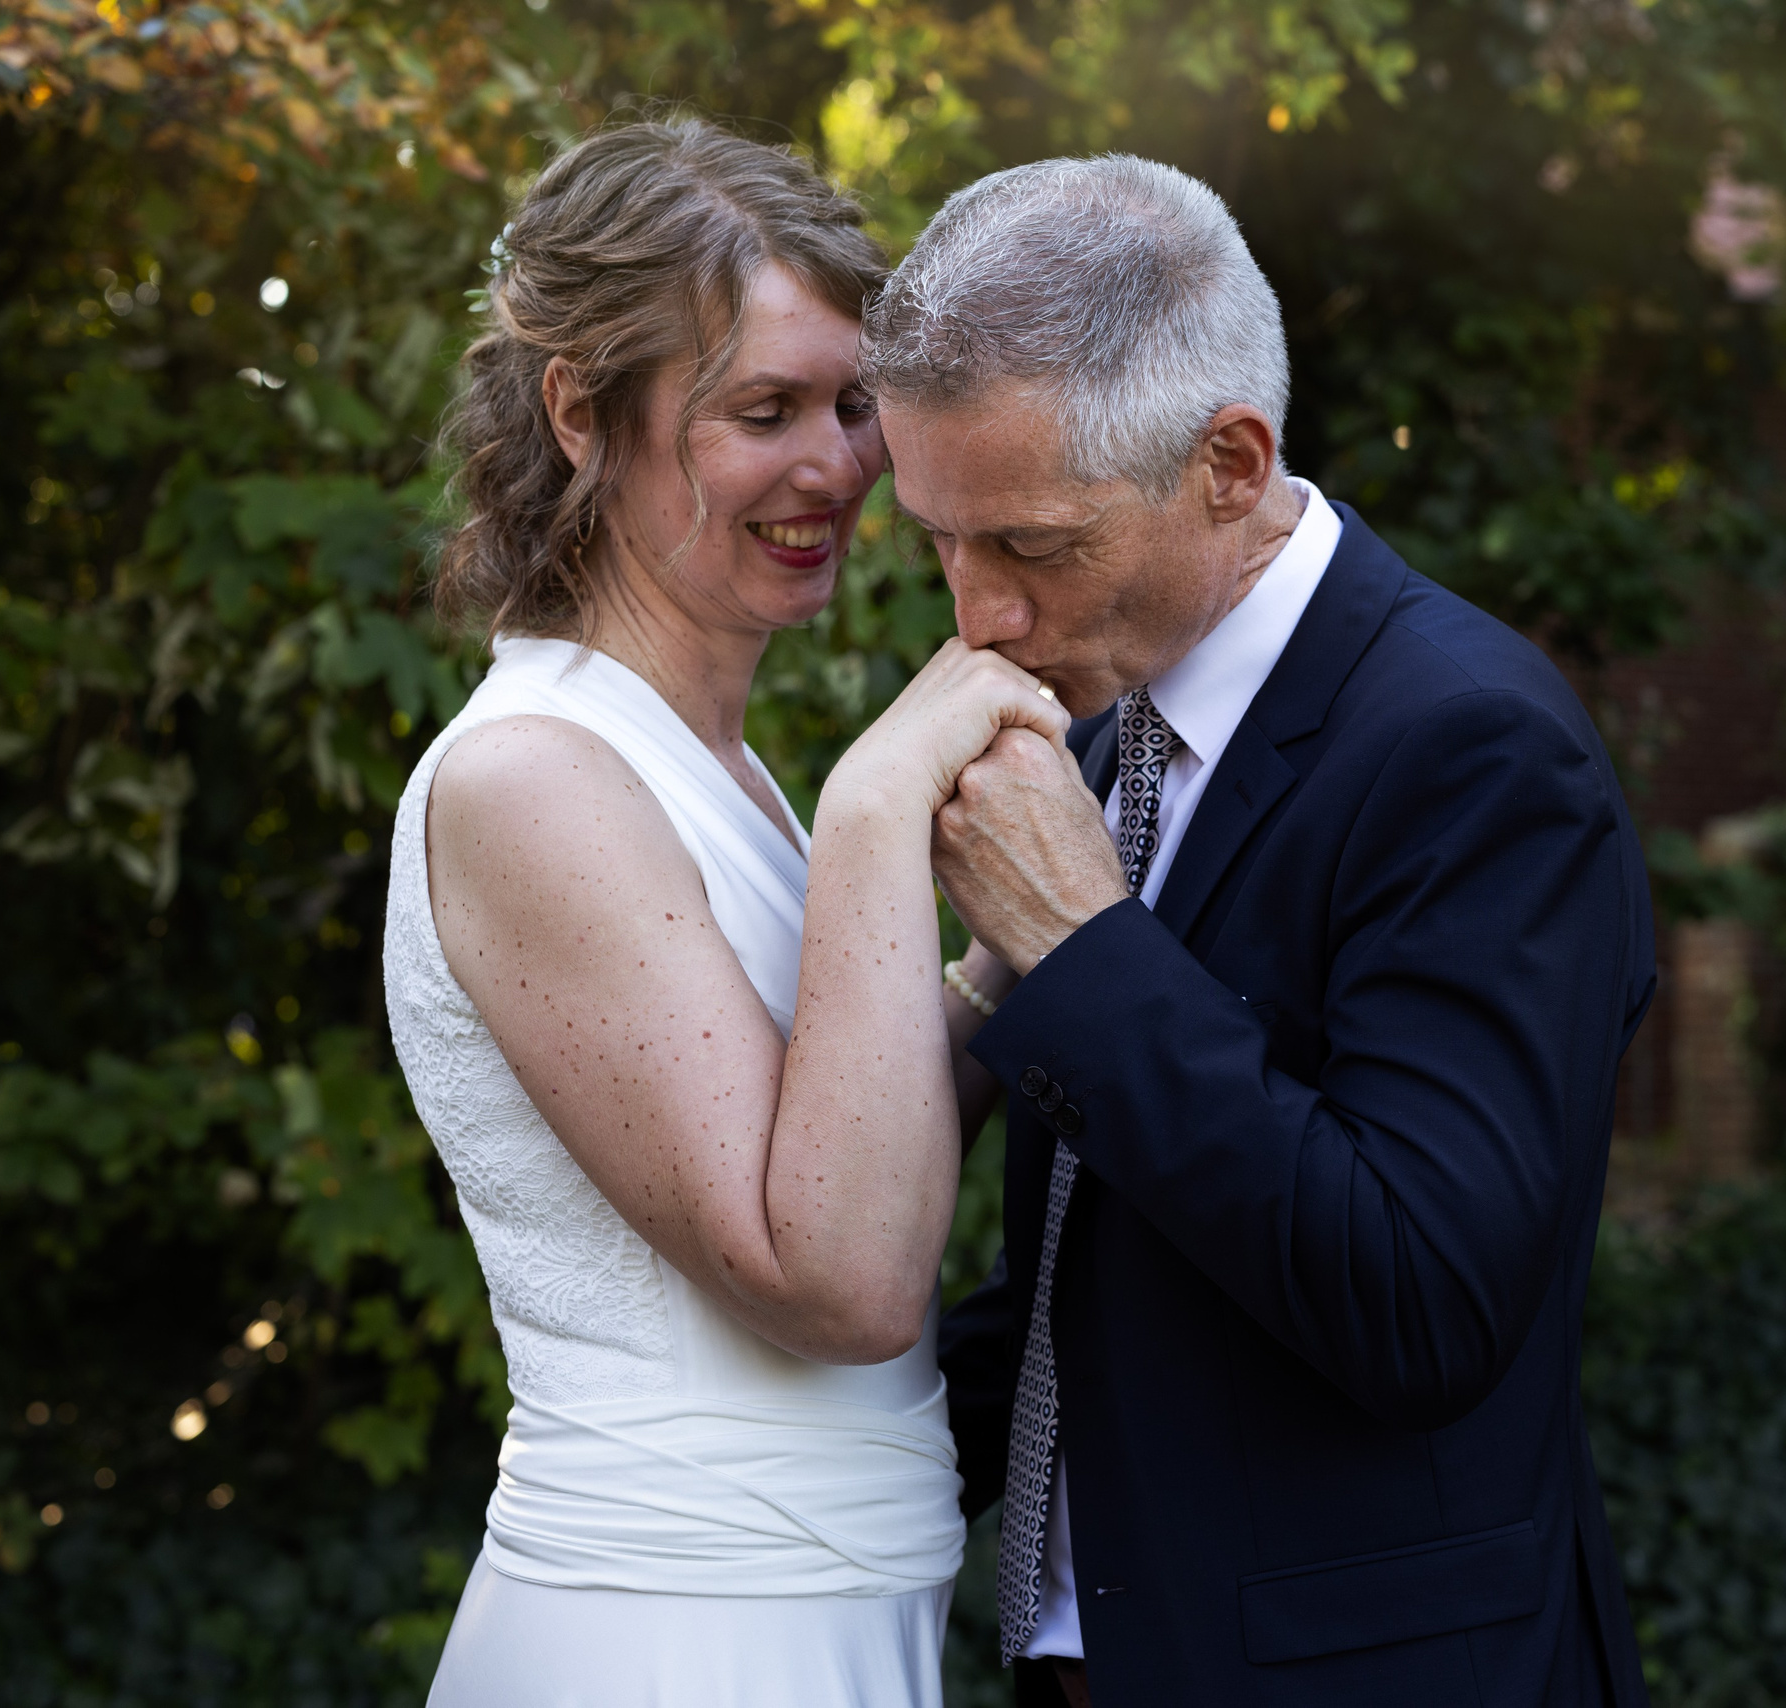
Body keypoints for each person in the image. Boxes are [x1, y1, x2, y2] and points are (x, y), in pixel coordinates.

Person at [865, 156, 1659, 1707]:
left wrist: (1087, 953)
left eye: (1029, 545)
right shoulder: (1106, 745)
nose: (975, 618)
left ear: (1230, 460)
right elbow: (1100, 1272)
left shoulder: (1473, 751)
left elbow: (1422, 1301)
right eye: (939, 541)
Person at [382, 117, 1063, 1707]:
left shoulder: (711, 770)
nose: (834, 464)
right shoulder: (535, 782)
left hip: (823, 1613)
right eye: (764, 410)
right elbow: (839, 1275)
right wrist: (884, 803)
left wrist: (1002, 963)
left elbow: (829, 1130)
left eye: (851, 405)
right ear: (580, 414)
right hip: (674, 1634)